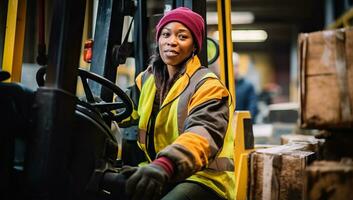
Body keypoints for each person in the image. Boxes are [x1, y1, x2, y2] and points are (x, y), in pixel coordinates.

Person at [122, 7, 235, 200]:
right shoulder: (146, 80)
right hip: (163, 171)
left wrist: (165, 164)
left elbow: (202, 135)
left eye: (182, 37)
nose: (171, 41)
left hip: (203, 178)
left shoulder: (207, 86)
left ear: (194, 47)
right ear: (158, 40)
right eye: (166, 34)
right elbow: (124, 110)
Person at [233, 52, 258, 121]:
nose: (234, 69)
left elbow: (252, 109)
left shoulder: (247, 86)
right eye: (231, 66)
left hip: (242, 125)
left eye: (236, 65)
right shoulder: (221, 85)